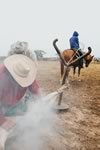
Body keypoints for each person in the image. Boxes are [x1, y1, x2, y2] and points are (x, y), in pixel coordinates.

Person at [0, 41, 40, 117]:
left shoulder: (26, 71)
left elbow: (36, 92)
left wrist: (39, 109)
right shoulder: (1, 74)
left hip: (16, 104)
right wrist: (3, 122)